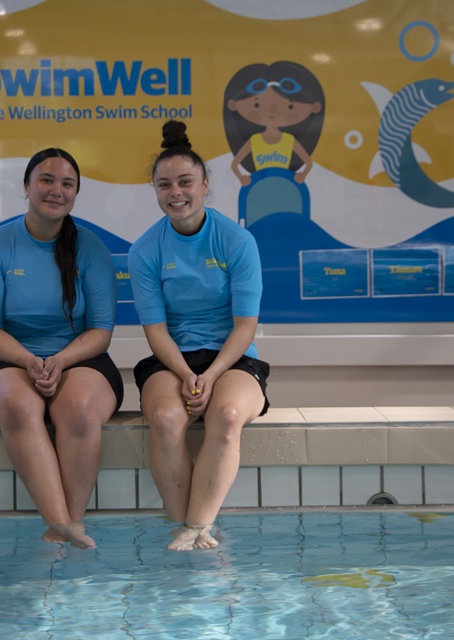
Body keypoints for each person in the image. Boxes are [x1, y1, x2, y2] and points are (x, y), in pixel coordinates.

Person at [0, 148, 123, 550]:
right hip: (9, 359)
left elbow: (101, 331)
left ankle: (66, 526)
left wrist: (59, 360)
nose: (57, 190)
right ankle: (65, 526)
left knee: (80, 409)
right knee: (20, 408)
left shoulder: (90, 249)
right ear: (26, 187)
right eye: (47, 180)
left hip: (81, 357)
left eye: (67, 184)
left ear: (75, 194)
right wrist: (29, 360)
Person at [128, 121, 270, 551]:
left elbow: (245, 326)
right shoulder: (144, 251)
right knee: (168, 419)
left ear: (205, 185)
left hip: (233, 357)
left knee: (226, 417)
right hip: (173, 358)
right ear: (154, 190)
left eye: (186, 181)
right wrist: (188, 373)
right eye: (164, 184)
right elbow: (155, 331)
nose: (176, 192)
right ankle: (181, 528)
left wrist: (210, 377)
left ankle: (197, 527)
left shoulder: (237, 241)